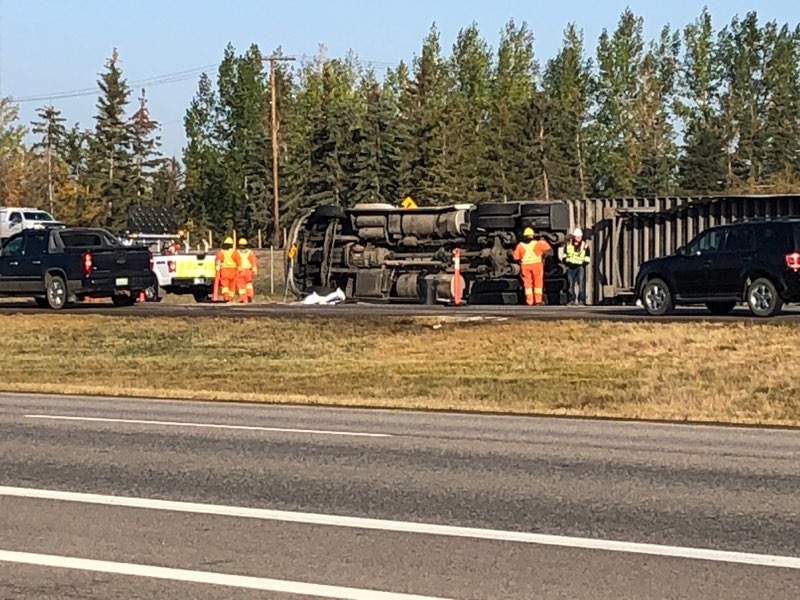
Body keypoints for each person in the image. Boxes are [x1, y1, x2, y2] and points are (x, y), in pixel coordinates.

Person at [513, 227, 553, 306]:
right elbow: (550, 251)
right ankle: (538, 301)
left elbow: (515, 257)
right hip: (537, 265)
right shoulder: (538, 243)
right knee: (538, 283)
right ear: (532, 235)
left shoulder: (520, 245)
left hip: (525, 266)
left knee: (528, 284)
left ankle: (530, 301)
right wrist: (544, 257)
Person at [564, 227, 591, 305]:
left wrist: (583, 264)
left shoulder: (584, 245)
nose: (578, 238)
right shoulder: (568, 245)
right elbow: (565, 256)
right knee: (570, 284)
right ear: (574, 237)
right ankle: (571, 300)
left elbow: (587, 257)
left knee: (581, 284)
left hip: (580, 267)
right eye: (577, 236)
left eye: (580, 237)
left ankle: (581, 300)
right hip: (570, 267)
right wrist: (567, 263)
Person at [215, 237, 240, 303]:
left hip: (224, 271)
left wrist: (217, 270)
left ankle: (226, 297)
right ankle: (231, 298)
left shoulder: (221, 252)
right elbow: (238, 261)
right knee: (232, 286)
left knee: (225, 285)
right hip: (233, 271)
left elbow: (218, 261)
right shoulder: (234, 252)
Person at [236, 237, 258, 304]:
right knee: (249, 284)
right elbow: (253, 262)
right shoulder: (250, 252)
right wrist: (254, 270)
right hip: (248, 271)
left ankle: (243, 299)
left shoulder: (237, 252)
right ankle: (249, 296)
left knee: (241, 286)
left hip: (240, 271)